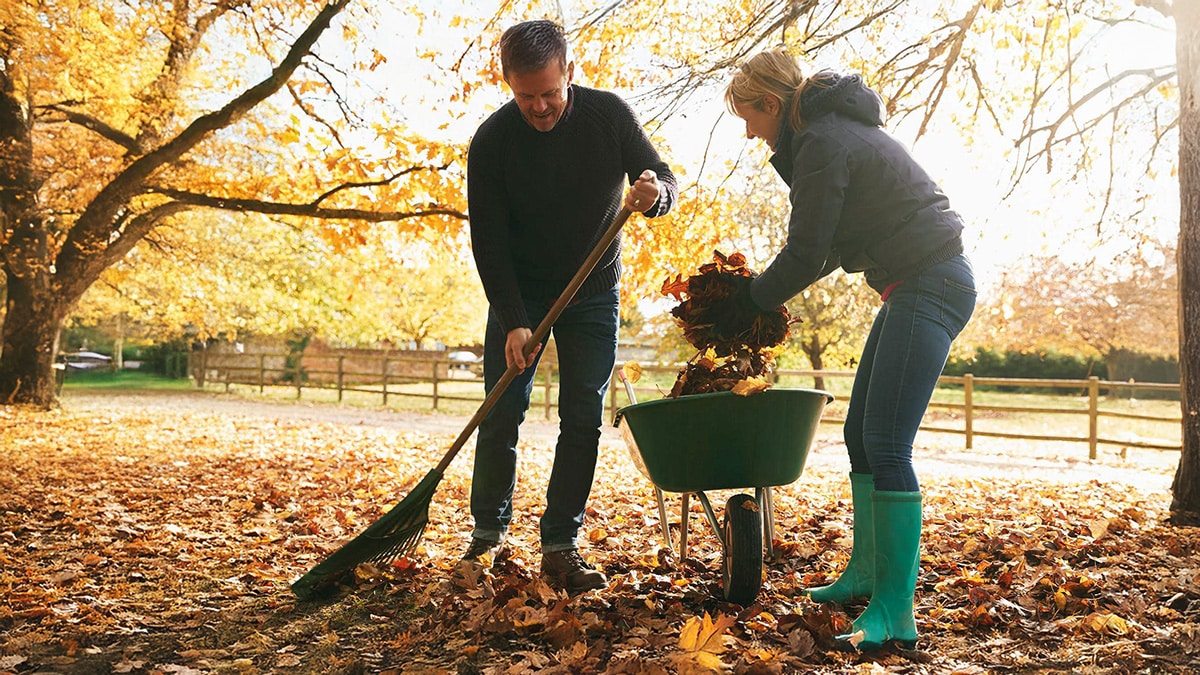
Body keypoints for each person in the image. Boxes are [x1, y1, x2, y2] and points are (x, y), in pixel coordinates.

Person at [719, 49, 976, 649]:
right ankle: (866, 573)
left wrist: (753, 300)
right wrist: (760, 290)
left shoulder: (823, 142)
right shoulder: (830, 135)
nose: (749, 130)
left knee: (887, 442)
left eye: (748, 117)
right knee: (862, 433)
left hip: (931, 281)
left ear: (772, 104)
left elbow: (809, 253)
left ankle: (894, 611)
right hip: (913, 282)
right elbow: (830, 246)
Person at [464, 19, 678, 593]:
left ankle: (560, 544)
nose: (539, 107)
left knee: (582, 417)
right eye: (525, 95)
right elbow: (488, 239)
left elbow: (665, 179)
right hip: (523, 293)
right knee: (501, 410)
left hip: (592, 293)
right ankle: (486, 536)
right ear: (507, 82)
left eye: (550, 93)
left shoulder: (609, 116)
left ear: (570, 73)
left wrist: (654, 195)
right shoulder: (491, 142)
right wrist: (513, 320)